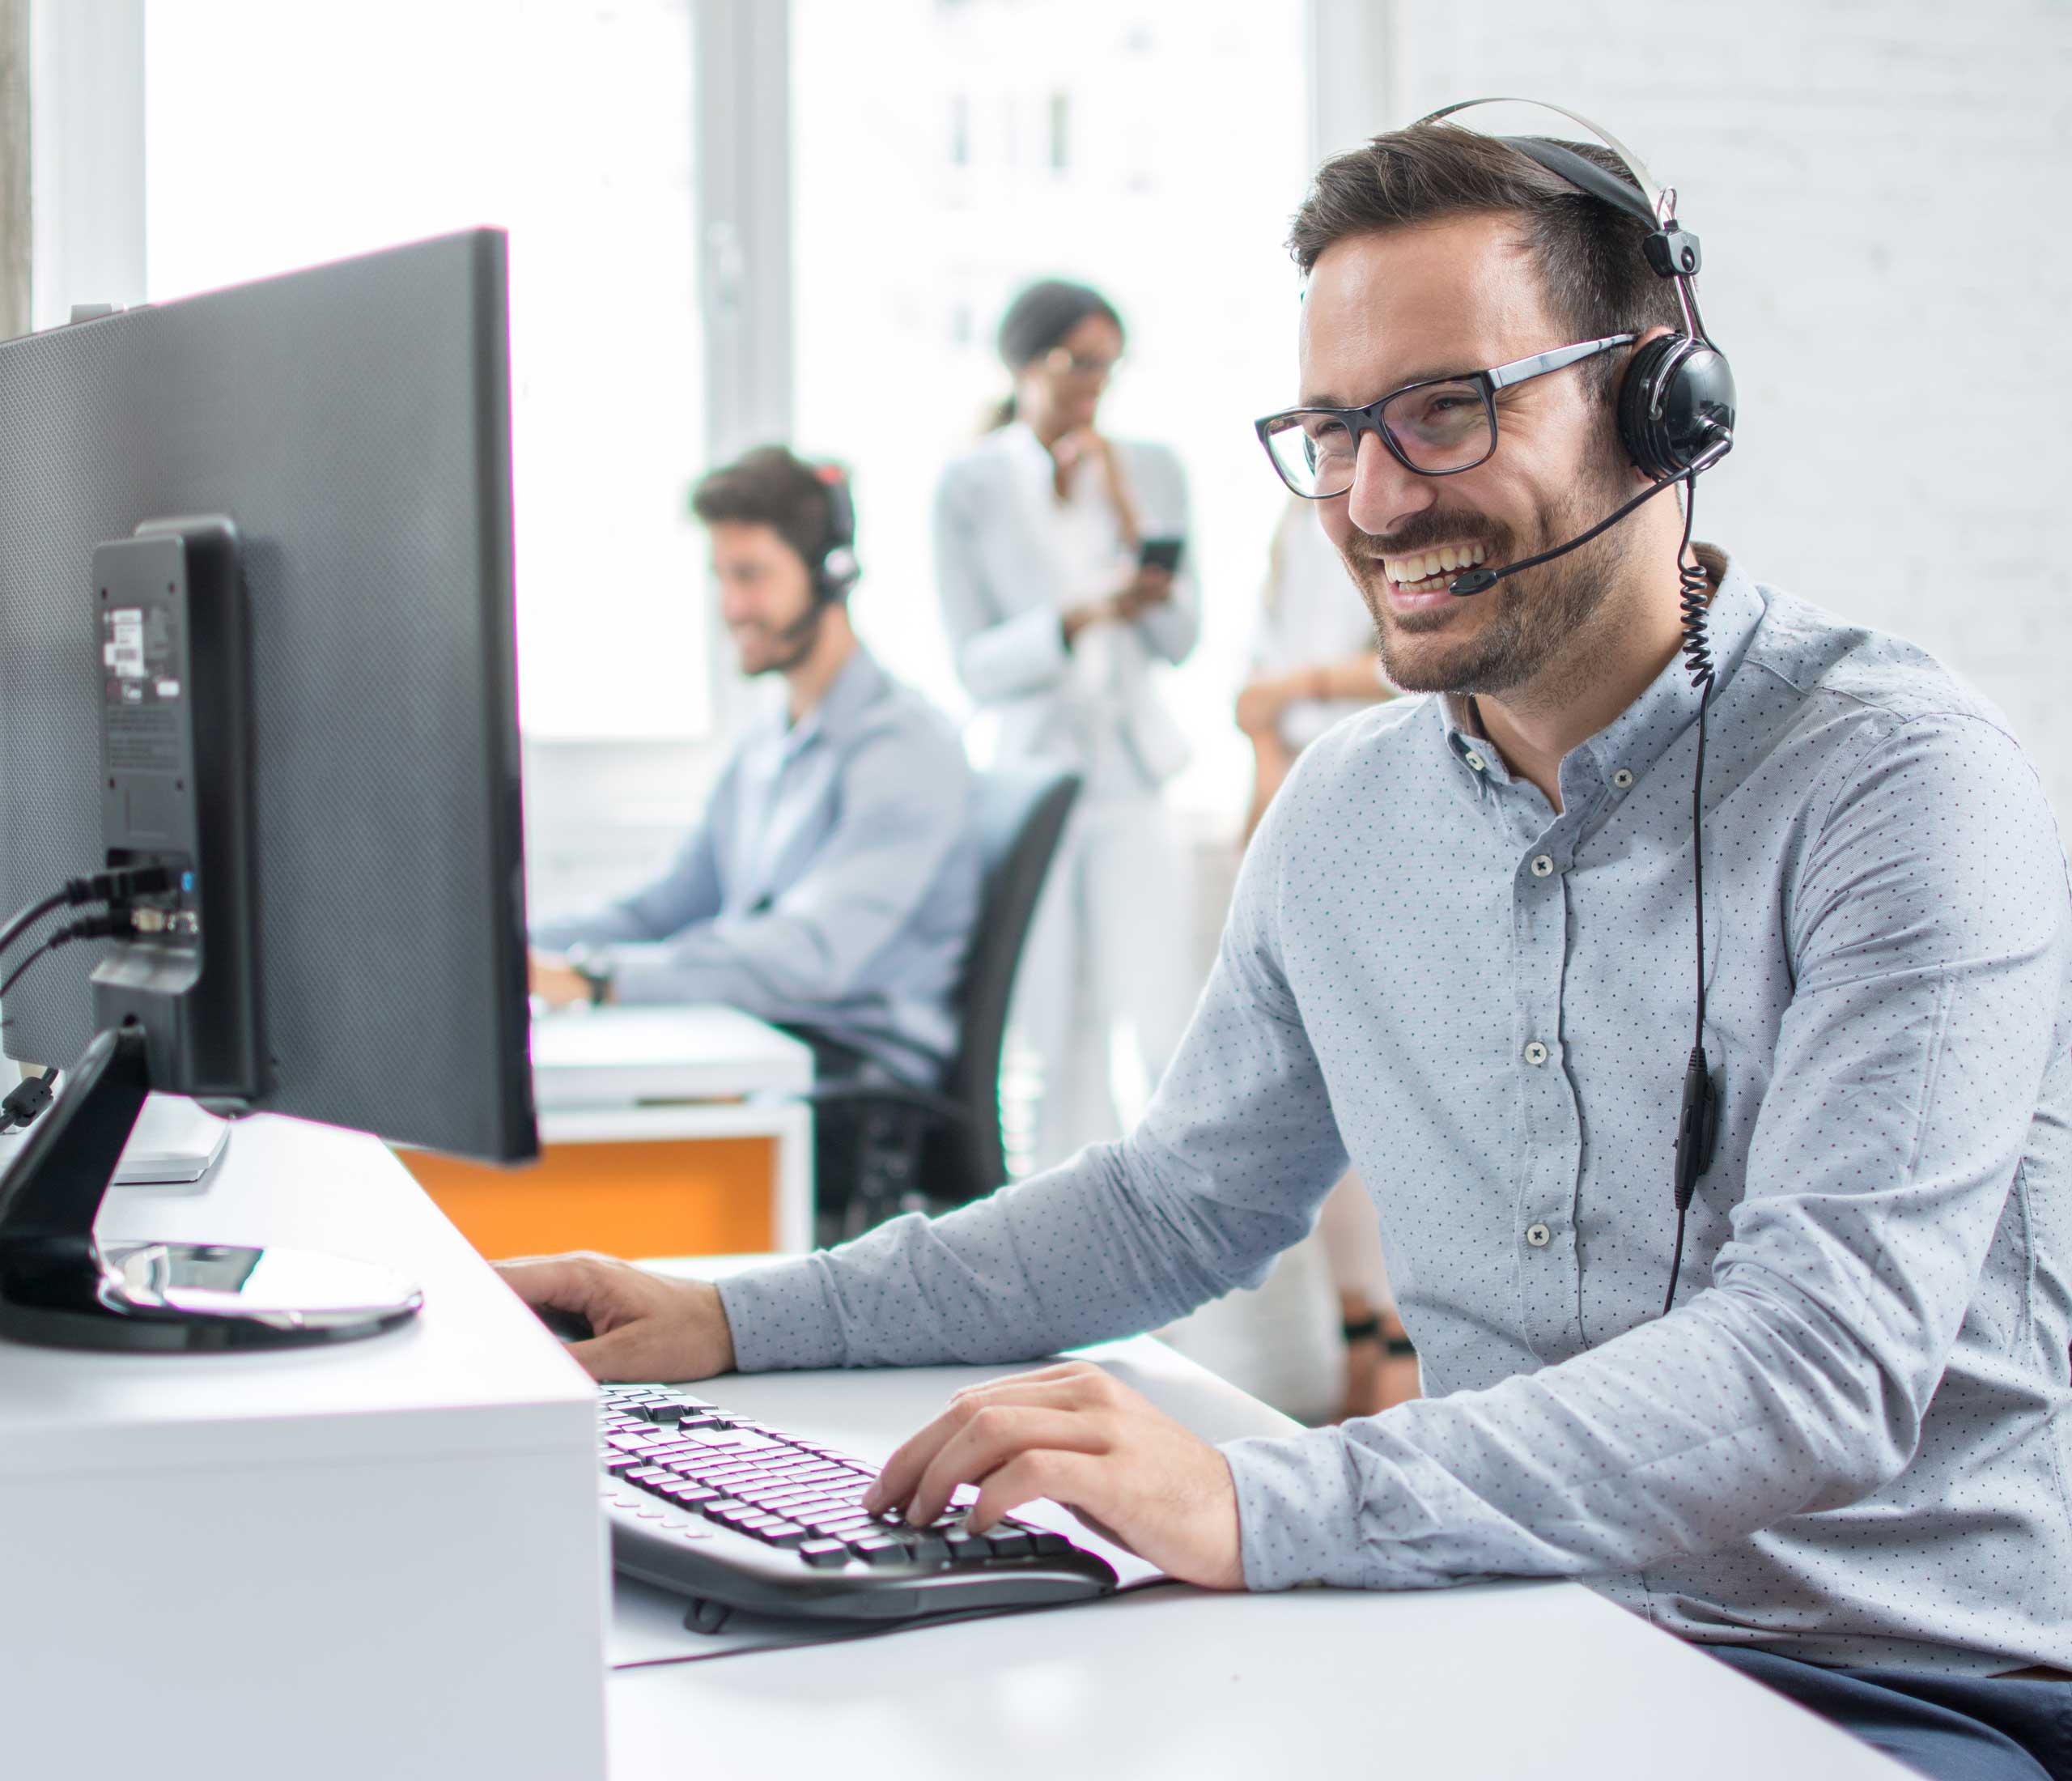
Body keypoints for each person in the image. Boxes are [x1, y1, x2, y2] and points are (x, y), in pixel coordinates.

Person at [503, 120, 2072, 1779]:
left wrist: (1253, 1489)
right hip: (1508, 1623)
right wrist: (727, 1318)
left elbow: (1820, 1365)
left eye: (1445, 409)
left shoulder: (1894, 785)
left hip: (1893, 1688)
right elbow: (1170, 1203)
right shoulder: (1346, 817)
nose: (1375, 499)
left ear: (1659, 396)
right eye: (1330, 431)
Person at [529, 446, 979, 1090]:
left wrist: (594, 978)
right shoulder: (768, 742)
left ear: (832, 573)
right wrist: (513, 949)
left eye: (752, 576)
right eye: (722, 578)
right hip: (766, 1044)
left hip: (854, 1082)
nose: (732, 607)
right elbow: (663, 910)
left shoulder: (904, 748)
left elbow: (810, 954)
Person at [931, 279, 1200, 1171]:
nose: (1095, 383)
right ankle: (1047, 1246)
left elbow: (1179, 637)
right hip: (1034, 782)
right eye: (1077, 363)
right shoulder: (968, 486)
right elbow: (974, 667)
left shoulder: (1151, 467)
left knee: (1161, 1023)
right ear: (1023, 362)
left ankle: (1166, 1238)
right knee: (1047, 1036)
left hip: (1131, 780)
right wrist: (1077, 615)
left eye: (1108, 366)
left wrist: (1130, 521)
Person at [1238, 497, 1415, 1418]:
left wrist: (1293, 690)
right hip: (1303, 812)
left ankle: (1398, 1345)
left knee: (1389, 1102)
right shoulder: (1289, 530)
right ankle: (1361, 1337)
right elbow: (1258, 685)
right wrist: (1268, 758)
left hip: (1384, 810)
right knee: (1327, 1108)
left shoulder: (1401, 513)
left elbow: (1418, 663)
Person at [1237, 493, 1395, 841]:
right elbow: (1255, 690)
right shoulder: (1294, 517)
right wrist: (1267, 777)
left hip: (1376, 769)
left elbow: (1409, 665)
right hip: (1293, 769)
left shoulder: (1385, 512)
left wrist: (1298, 686)